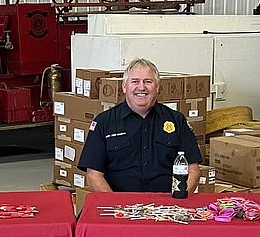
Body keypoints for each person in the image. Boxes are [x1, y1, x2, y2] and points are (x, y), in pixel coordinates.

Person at [79, 58, 202, 193]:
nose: (141, 87)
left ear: (157, 87)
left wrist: (179, 200)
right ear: (124, 87)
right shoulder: (104, 122)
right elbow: (93, 175)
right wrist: (115, 206)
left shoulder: (177, 120)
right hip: (120, 207)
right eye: (135, 81)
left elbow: (193, 170)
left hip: (166, 208)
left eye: (148, 82)